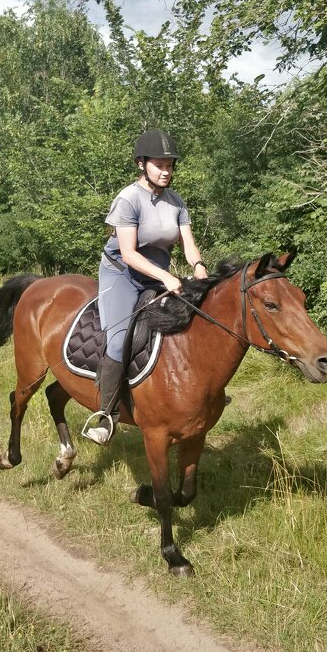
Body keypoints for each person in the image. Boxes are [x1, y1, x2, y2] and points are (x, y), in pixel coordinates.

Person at [84, 128, 208, 446]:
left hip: (157, 275)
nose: (166, 171)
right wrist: (167, 277)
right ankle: (105, 415)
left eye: (170, 165)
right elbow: (128, 254)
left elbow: (189, 245)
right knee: (118, 339)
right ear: (142, 164)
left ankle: (190, 395)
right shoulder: (128, 199)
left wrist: (197, 266)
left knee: (190, 324)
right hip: (122, 276)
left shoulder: (176, 202)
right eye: (159, 165)